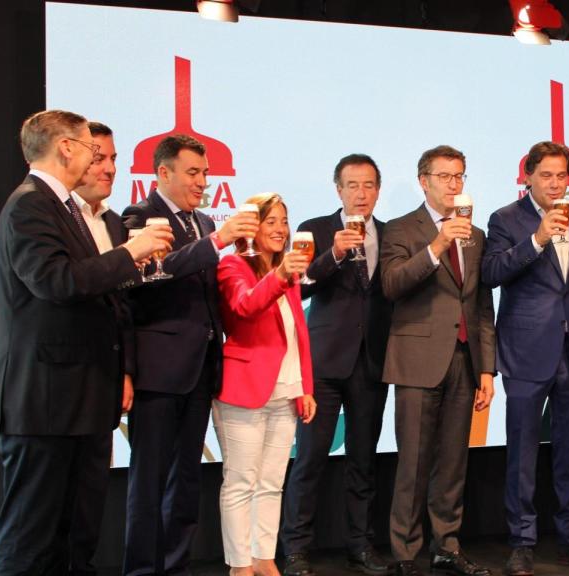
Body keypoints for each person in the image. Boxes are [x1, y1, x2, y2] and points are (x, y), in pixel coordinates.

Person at [0, 110, 171, 574]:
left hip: (77, 397)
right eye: (92, 148)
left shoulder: (64, 207)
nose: (97, 160)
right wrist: (130, 252)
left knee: (73, 535)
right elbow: (57, 281)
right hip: (44, 400)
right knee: (30, 538)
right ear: (66, 147)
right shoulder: (31, 205)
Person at [121, 134, 258, 576]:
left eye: (205, 173)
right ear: (163, 173)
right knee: (149, 481)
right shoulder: (140, 216)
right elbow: (153, 274)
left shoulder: (201, 220)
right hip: (159, 371)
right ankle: (143, 570)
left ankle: (176, 566)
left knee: (185, 481)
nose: (202, 182)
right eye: (193, 173)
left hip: (201, 368)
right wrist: (217, 241)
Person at [482, 140, 569, 576]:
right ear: (528, 177)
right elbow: (491, 273)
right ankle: (522, 542)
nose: (555, 184)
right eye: (546, 175)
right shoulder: (505, 219)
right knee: (522, 453)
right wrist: (536, 239)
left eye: (561, 175)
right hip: (526, 352)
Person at [380, 145, 496, 576]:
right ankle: (405, 553)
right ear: (423, 181)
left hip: (465, 360)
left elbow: (481, 305)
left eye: (459, 176)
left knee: (452, 463)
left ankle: (446, 545)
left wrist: (487, 368)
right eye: (444, 176)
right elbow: (392, 284)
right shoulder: (400, 228)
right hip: (417, 361)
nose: (453, 184)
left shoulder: (476, 234)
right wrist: (437, 245)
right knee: (413, 462)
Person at [282, 154, 393, 576]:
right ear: (338, 189)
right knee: (309, 459)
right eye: (352, 185)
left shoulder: (391, 234)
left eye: (368, 185)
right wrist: (333, 253)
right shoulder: (315, 229)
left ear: (377, 190)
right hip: (324, 363)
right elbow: (299, 286)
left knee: (363, 462)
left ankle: (360, 546)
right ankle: (296, 549)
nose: (361, 193)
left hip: (372, 362)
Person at [214, 192, 317, 575]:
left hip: (285, 390)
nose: (280, 229)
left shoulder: (287, 270)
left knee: (272, 483)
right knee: (241, 481)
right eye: (270, 221)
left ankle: (263, 558)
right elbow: (245, 306)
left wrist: (306, 386)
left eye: (283, 221)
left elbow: (298, 330)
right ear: (251, 228)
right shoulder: (232, 265)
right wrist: (280, 275)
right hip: (244, 389)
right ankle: (240, 565)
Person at [67, 121, 138, 576]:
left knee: (91, 501)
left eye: (113, 159)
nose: (109, 168)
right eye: (99, 158)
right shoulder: (57, 216)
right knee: (49, 509)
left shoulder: (114, 222)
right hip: (60, 383)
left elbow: (123, 307)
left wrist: (126, 370)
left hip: (105, 380)